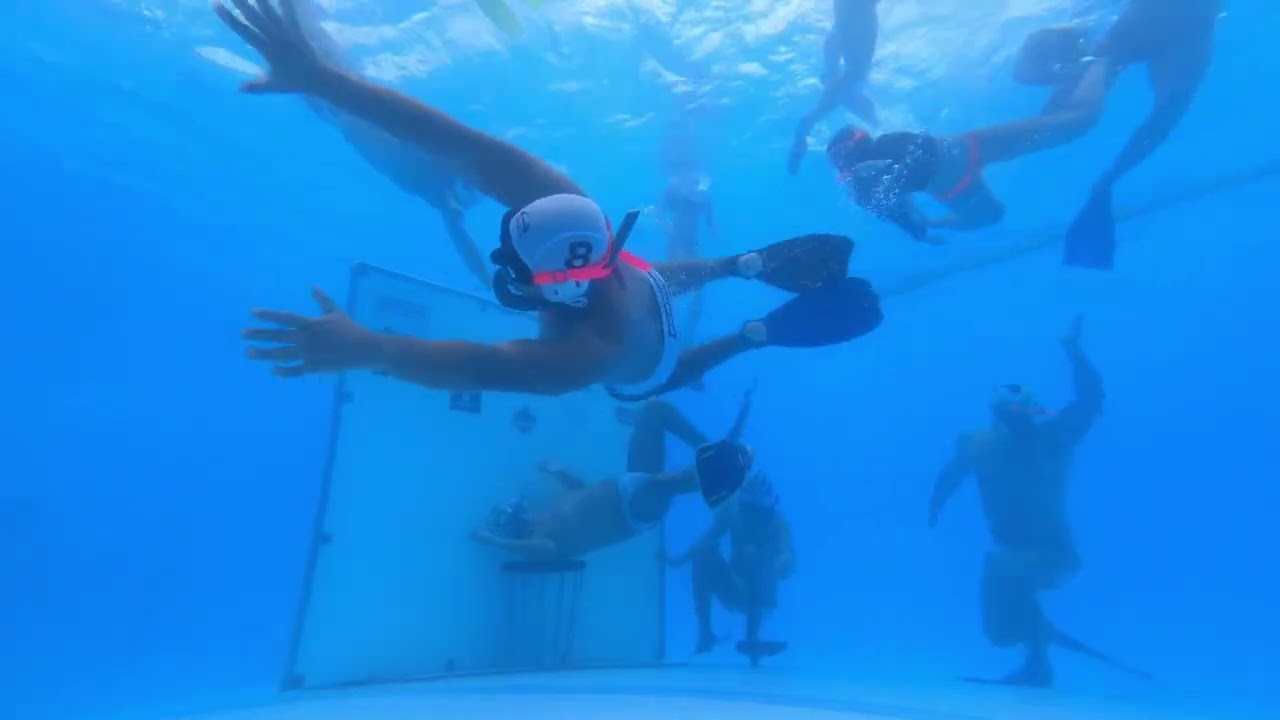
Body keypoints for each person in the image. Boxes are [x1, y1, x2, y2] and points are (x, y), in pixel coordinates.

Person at [218, 1, 878, 401]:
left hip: (646, 365)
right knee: (651, 282)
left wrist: (373, 350)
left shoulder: (580, 353)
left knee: (663, 360)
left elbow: (480, 365)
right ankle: (738, 269)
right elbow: (453, 142)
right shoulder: (566, 206)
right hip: (643, 290)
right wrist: (324, 82)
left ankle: (749, 331)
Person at [827, 0, 1219, 245]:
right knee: (1065, 123)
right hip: (959, 147)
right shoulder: (879, 152)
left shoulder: (860, 185)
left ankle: (1100, 61)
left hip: (949, 177)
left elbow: (897, 205)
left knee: (1071, 125)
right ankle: (1092, 63)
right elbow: (908, 153)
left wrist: (923, 230)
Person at [927, 316, 1146, 688]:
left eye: (1022, 411)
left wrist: (1075, 353)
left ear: (1033, 410)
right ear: (997, 414)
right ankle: (1038, 655)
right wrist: (937, 502)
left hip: (1053, 552)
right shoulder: (978, 444)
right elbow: (952, 473)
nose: (1016, 418)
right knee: (1000, 633)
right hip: (1006, 551)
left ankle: (1040, 644)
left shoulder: (1053, 439)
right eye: (1007, 412)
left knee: (1008, 574)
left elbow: (1091, 400)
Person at [294, 0, 490, 287]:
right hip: (351, 104)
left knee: (306, 58)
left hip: (341, 114)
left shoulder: (440, 197)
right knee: (315, 49)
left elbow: (464, 244)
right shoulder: (439, 168)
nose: (460, 203)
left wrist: (487, 281)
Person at [471, 399, 751, 560]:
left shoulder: (546, 515)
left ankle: (712, 450)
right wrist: (492, 541)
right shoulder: (541, 540)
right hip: (632, 512)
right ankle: (727, 473)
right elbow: (546, 551)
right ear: (513, 529)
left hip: (627, 483)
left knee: (654, 411)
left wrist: (557, 471)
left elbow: (579, 490)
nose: (516, 509)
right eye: (510, 516)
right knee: (666, 483)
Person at [667, 472, 794, 665]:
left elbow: (787, 557)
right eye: (748, 509)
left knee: (754, 559)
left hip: (763, 593)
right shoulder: (731, 511)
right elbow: (709, 537)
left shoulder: (777, 523)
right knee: (704, 554)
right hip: (734, 583)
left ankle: (753, 636)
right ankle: (705, 633)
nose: (753, 515)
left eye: (758, 510)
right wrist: (681, 558)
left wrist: (772, 562)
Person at [788, 0, 881, 175]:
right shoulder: (845, 29)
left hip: (849, 76)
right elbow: (834, 44)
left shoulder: (844, 29)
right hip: (850, 76)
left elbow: (834, 44)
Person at [657, 129, 719, 338]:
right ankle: (665, 327)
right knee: (672, 284)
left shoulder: (703, 189)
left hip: (691, 241)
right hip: (676, 240)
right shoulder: (673, 186)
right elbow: (659, 213)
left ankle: (687, 330)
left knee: (699, 286)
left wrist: (716, 236)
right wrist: (669, 228)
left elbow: (710, 220)